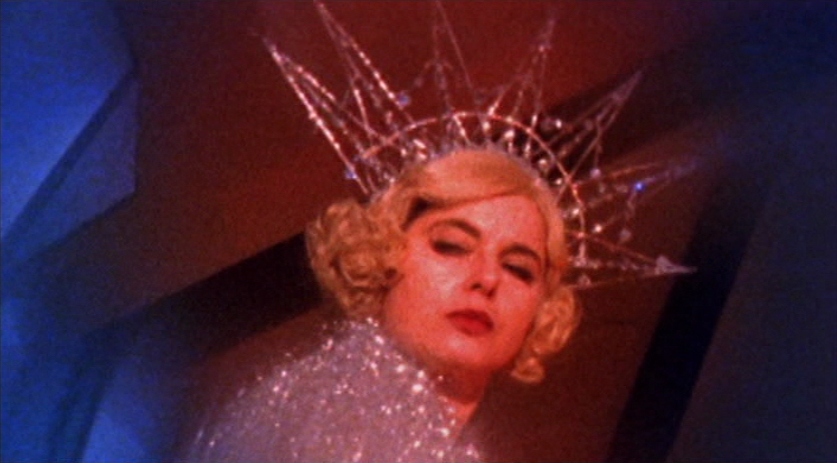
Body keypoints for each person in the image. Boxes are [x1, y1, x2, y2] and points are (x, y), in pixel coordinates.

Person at [182, 148, 579, 462]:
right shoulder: (304, 422)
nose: (487, 278)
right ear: (383, 254)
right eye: (452, 246)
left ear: (540, 310)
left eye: (518, 269)